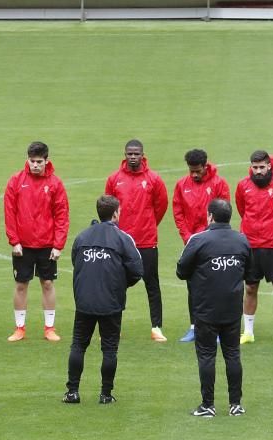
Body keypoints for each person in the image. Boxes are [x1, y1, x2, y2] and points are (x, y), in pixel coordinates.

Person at [63, 195, 144, 405]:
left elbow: (76, 262)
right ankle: (106, 394)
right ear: (116, 213)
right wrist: (118, 284)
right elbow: (137, 270)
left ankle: (72, 392)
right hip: (111, 302)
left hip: (84, 301)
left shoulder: (82, 237)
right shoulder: (122, 238)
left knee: (78, 345)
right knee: (109, 348)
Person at [176, 199, 251, 418]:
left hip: (205, 308)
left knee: (207, 356)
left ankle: (208, 405)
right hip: (232, 308)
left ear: (209, 216)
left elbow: (181, 270)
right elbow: (250, 270)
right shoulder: (241, 240)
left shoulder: (198, 240)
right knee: (233, 354)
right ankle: (235, 404)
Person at [3, 141, 70, 342]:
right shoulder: (16, 181)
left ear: (46, 161)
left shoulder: (55, 184)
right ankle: (19, 328)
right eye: (32, 161)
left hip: (47, 244)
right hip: (22, 245)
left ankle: (49, 328)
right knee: (21, 284)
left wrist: (58, 245)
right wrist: (14, 241)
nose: (35, 165)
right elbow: (10, 212)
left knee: (47, 283)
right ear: (27, 159)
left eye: (39, 161)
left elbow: (62, 215)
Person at [104, 139, 169, 342]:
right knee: (116, 285)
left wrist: (148, 224)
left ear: (143, 155)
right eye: (129, 153)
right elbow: (108, 207)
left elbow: (161, 205)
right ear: (125, 155)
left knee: (152, 284)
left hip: (146, 240)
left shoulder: (153, 179)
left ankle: (156, 327)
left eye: (136, 153)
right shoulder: (114, 179)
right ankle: (114, 328)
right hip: (120, 242)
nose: (133, 157)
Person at [235, 150, 273, 346]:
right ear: (251, 167)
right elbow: (241, 209)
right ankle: (248, 332)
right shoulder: (243, 186)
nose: (258, 172)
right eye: (255, 168)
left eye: (262, 167)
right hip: (250, 245)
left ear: (269, 166)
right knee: (250, 288)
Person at [172, 148, 231, 342]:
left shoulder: (219, 184)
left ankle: (217, 330)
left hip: (214, 243)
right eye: (191, 171)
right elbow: (178, 211)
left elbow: (224, 212)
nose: (195, 174)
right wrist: (187, 237)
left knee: (215, 285)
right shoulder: (182, 185)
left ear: (206, 166)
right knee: (193, 286)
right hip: (192, 243)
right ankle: (194, 327)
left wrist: (211, 237)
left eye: (198, 170)